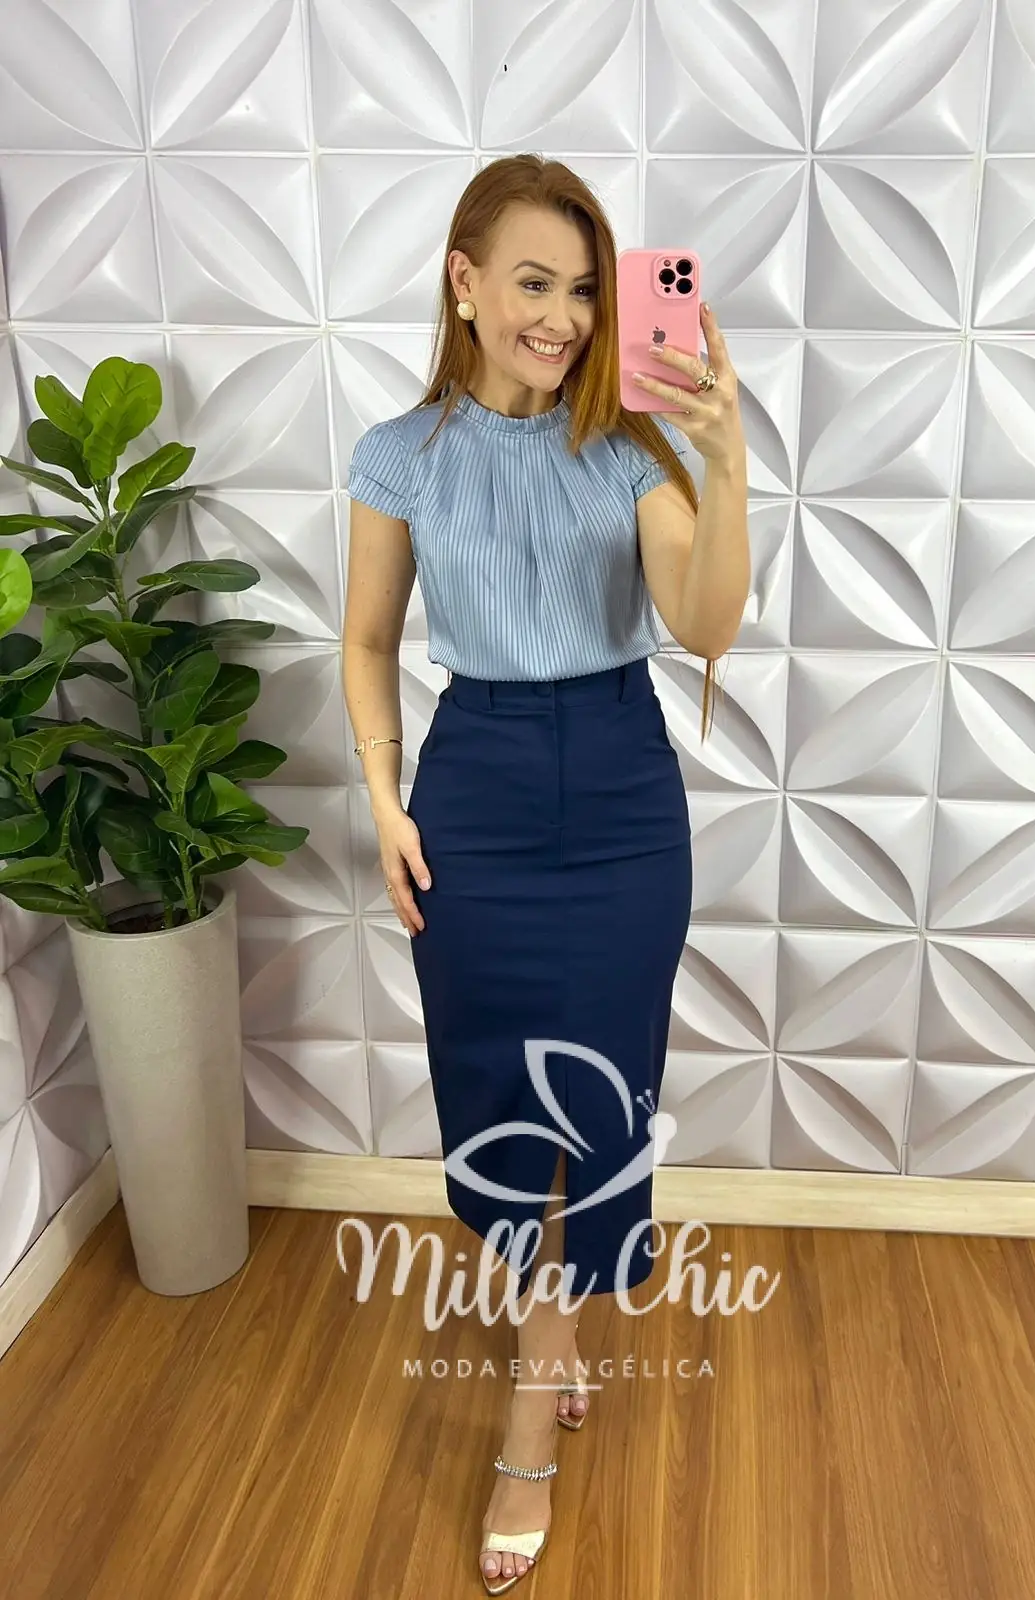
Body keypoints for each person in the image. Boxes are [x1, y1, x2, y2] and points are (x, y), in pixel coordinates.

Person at [343, 153, 749, 1592]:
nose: (564, 317)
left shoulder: (629, 449)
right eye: (533, 282)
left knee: (598, 1095)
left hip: (623, 796)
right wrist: (382, 797)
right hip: (474, 788)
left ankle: (530, 1412)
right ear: (463, 282)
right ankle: (551, 1338)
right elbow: (367, 640)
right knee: (501, 1098)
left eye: (584, 290)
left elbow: (704, 625)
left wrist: (723, 456)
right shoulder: (399, 454)